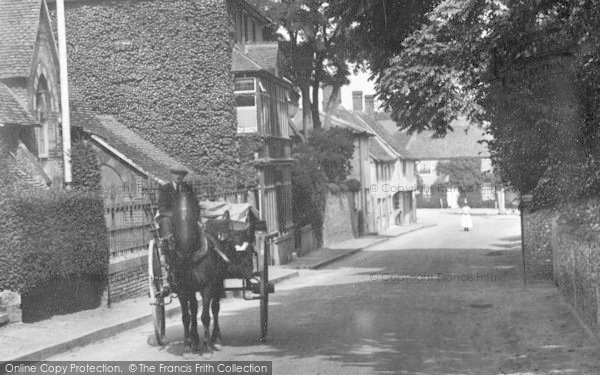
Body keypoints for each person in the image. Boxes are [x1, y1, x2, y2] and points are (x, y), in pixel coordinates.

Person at [156, 168, 198, 296]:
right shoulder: (165, 189)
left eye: (181, 175)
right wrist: (176, 215)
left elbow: (195, 204)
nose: (178, 177)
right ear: (172, 175)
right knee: (166, 222)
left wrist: (192, 216)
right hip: (170, 218)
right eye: (176, 175)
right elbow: (162, 207)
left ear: (183, 177)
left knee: (197, 227)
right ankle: (169, 244)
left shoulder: (188, 188)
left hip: (186, 220)